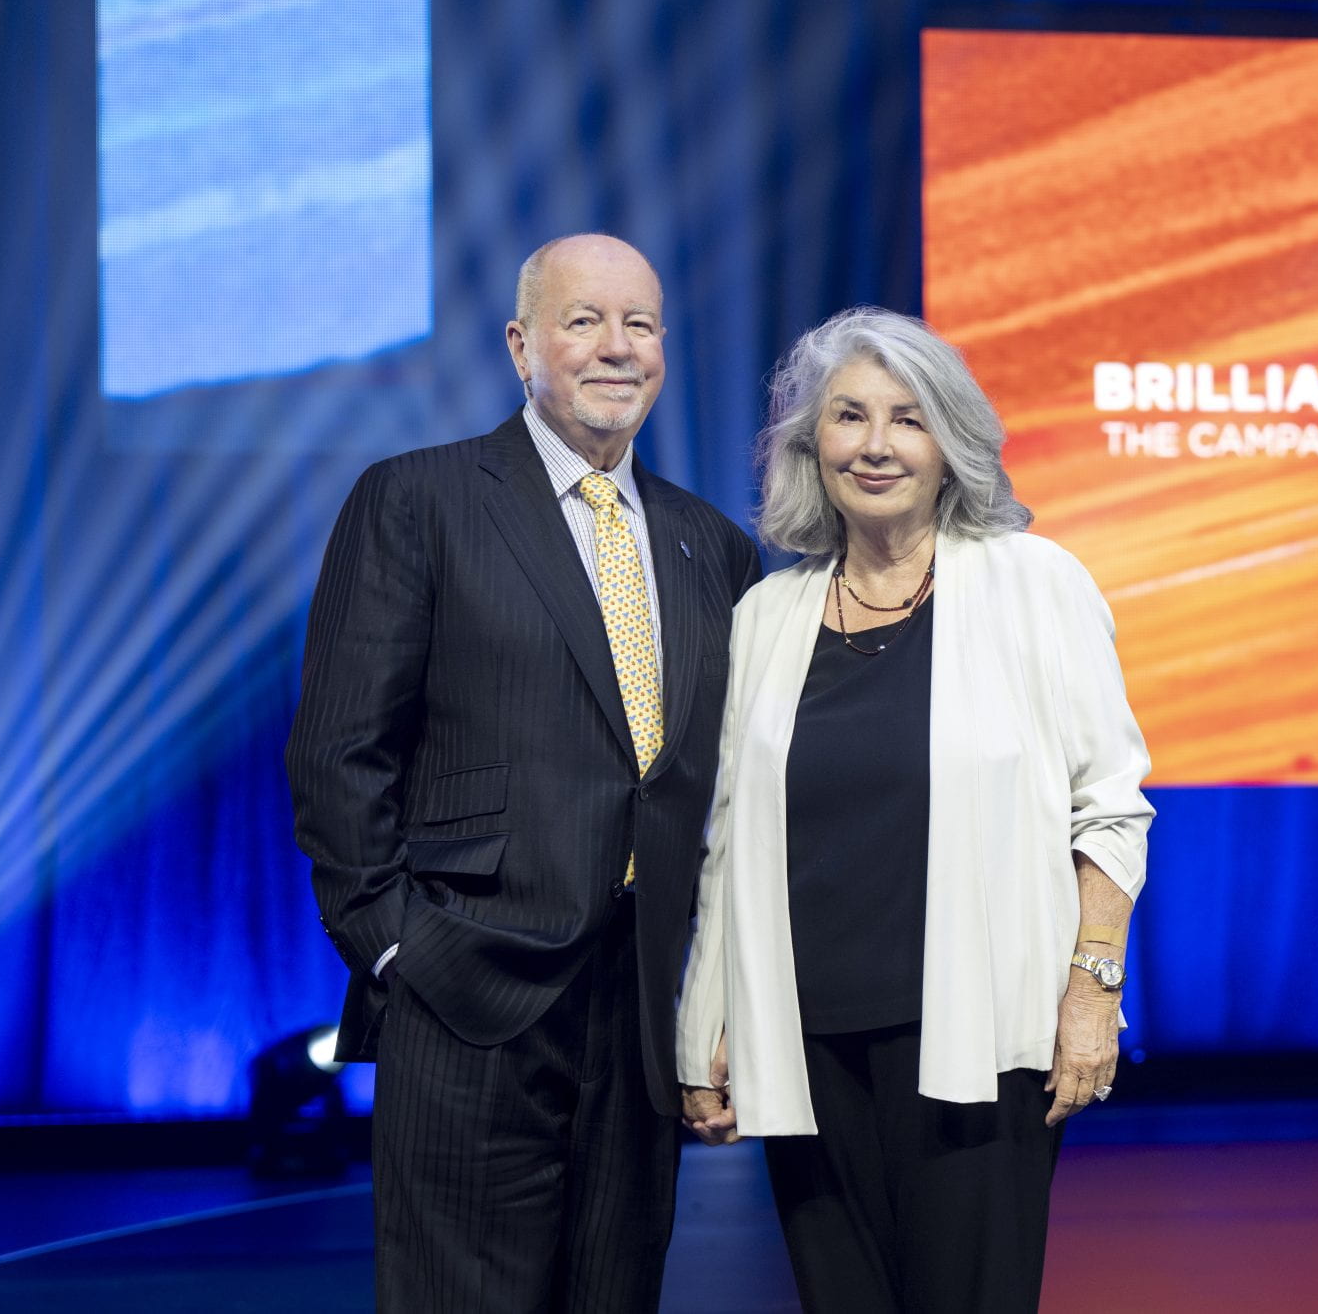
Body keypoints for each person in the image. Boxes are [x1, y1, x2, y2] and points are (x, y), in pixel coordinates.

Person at [287, 233, 760, 1312]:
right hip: (465, 993)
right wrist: (397, 947)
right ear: (520, 345)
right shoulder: (419, 499)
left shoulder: (711, 547)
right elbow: (338, 752)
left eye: (639, 324)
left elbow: (721, 793)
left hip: (639, 1016)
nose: (616, 347)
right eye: (583, 321)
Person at [677, 307, 1152, 1312]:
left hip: (979, 1043)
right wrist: (706, 1022)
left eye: (908, 417)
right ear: (811, 444)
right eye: (849, 416)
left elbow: (1110, 808)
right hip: (804, 1049)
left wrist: (1091, 992)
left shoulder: (1034, 584)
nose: (876, 445)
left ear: (950, 443)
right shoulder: (766, 616)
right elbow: (728, 843)